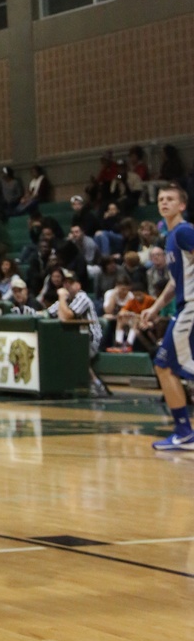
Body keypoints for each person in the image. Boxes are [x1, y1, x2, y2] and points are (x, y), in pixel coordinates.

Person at [137, 184, 194, 451]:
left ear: (182, 205)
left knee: (169, 365)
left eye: (170, 199)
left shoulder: (184, 231)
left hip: (192, 308)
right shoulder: (170, 237)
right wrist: (156, 308)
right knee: (165, 366)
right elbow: (174, 282)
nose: (164, 202)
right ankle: (183, 432)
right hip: (184, 308)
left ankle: (184, 432)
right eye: (161, 199)